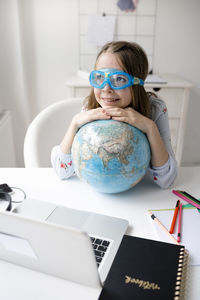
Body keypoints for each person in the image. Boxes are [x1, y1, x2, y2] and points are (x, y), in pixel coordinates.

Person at [51, 41, 178, 188]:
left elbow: (166, 180)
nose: (106, 88)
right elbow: (62, 172)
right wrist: (75, 123)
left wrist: (150, 128)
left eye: (119, 79)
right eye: (99, 77)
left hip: (141, 197)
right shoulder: (89, 108)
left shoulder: (155, 109)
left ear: (137, 83)